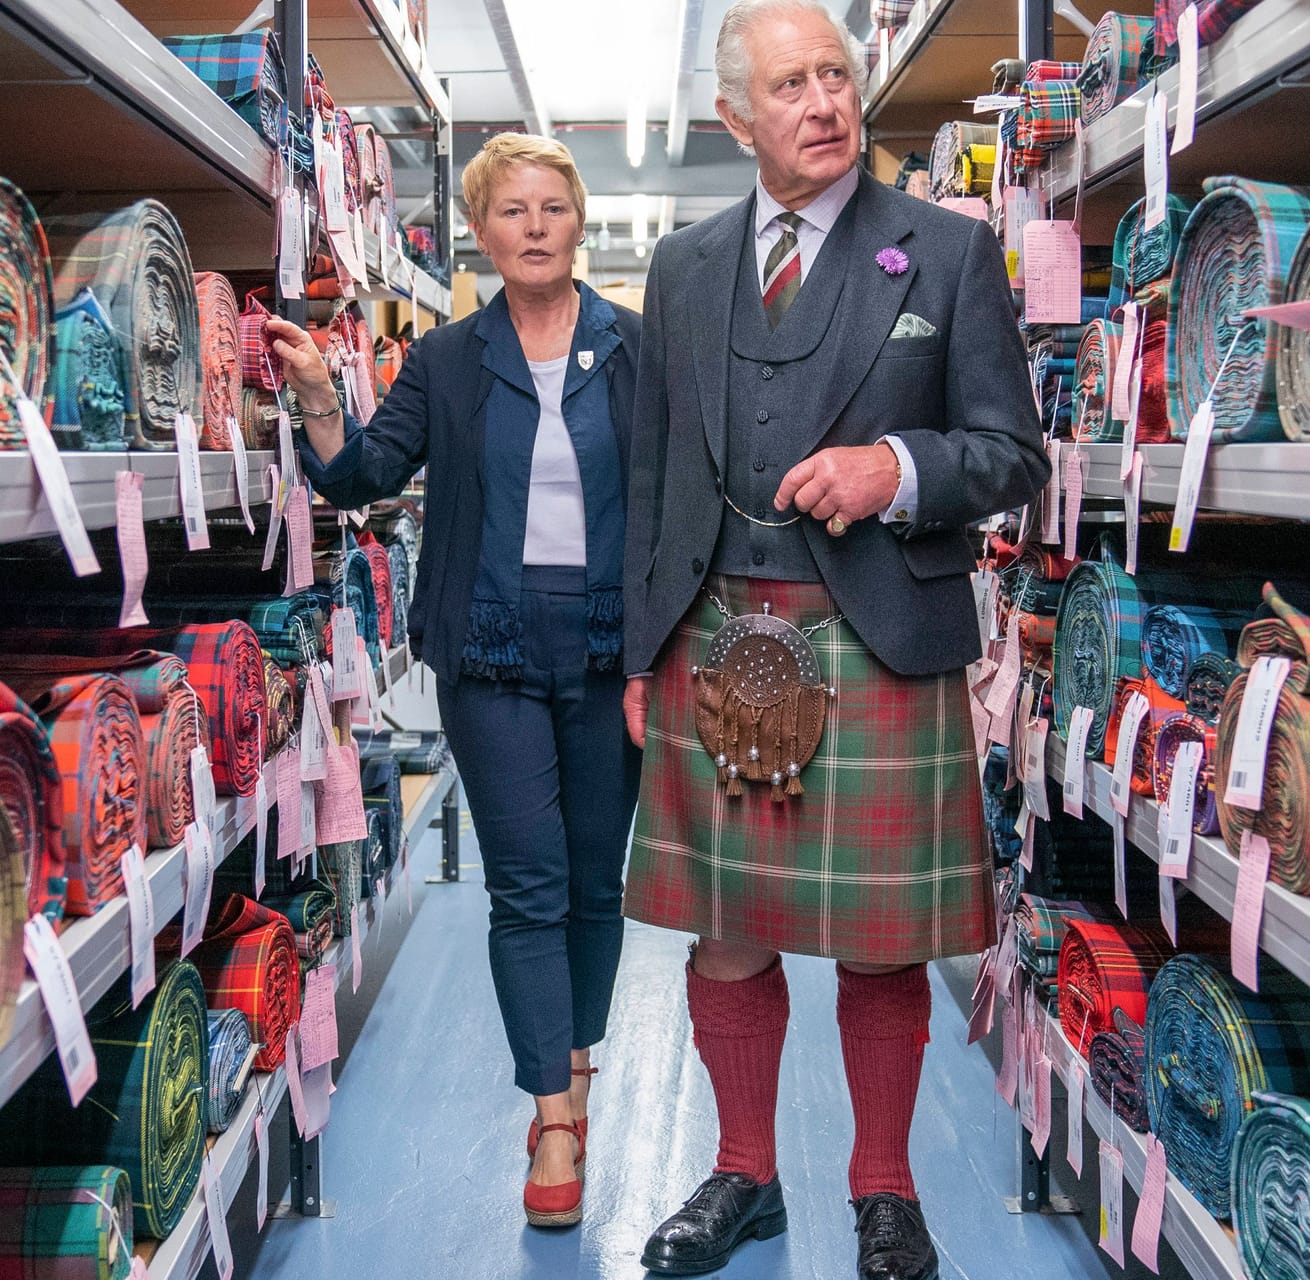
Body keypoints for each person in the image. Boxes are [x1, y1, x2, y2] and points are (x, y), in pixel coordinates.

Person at [618, 0, 1047, 1274]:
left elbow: (1013, 453)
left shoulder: (949, 251)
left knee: (881, 936)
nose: (824, 102)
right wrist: (644, 648)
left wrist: (895, 468)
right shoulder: (683, 268)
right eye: (791, 84)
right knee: (728, 927)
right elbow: (652, 474)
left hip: (877, 634)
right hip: (714, 628)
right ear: (734, 119)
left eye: (836, 76)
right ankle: (743, 1172)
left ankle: (884, 1185)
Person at [268, 133, 645, 1230]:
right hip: (487, 646)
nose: (534, 225)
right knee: (527, 881)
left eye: (552, 206)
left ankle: (572, 1055)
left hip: (612, 642)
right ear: (481, 235)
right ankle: (556, 1114)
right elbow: (364, 474)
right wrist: (319, 399)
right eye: (511, 210)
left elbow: (673, 490)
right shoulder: (444, 358)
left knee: (593, 879)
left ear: (580, 222)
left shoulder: (633, 347)